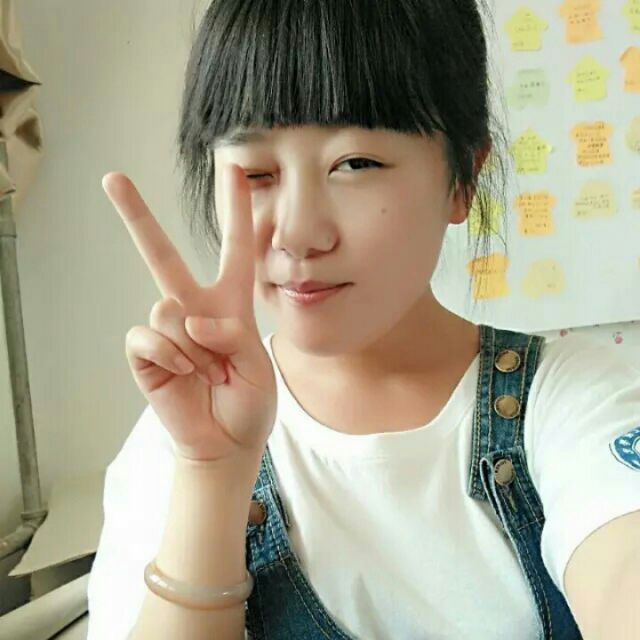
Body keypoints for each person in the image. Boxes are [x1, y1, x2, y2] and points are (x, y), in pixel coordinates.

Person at [86, 1, 640, 639]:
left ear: (462, 178)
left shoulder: (574, 403)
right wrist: (213, 476)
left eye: (355, 164)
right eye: (256, 172)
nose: (297, 233)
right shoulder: (171, 450)